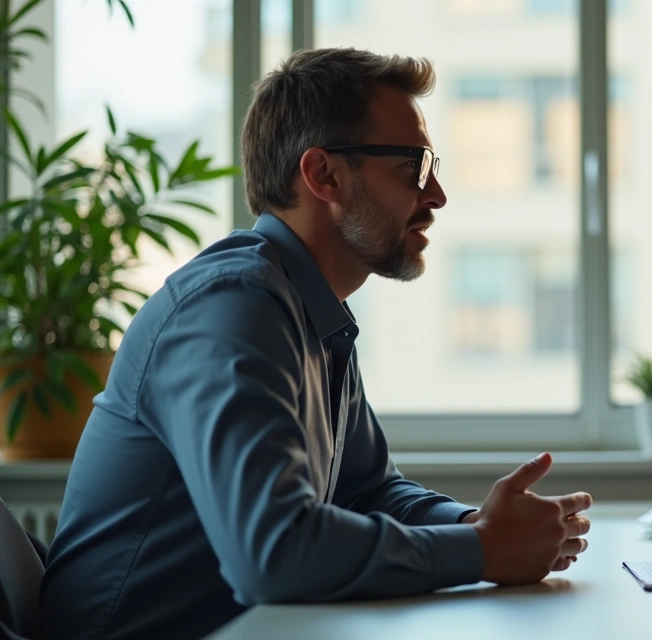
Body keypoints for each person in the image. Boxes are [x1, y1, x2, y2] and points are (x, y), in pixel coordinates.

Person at [38, 48, 593, 640]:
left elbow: (369, 490)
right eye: (412, 167)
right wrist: (482, 550)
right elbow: (273, 554)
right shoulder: (234, 306)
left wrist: (476, 525)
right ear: (324, 175)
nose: (436, 195)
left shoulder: (313, 312)